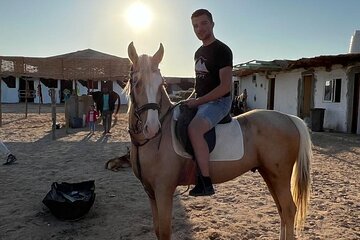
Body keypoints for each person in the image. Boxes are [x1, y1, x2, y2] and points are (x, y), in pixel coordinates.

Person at [185, 9, 233, 196]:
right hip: (203, 101)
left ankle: (205, 182)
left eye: (204, 23)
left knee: (194, 129)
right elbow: (200, 86)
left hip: (220, 102)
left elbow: (225, 86)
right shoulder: (198, 52)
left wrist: (198, 102)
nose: (200, 29)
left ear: (212, 24)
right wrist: (189, 100)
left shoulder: (222, 50)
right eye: (195, 26)